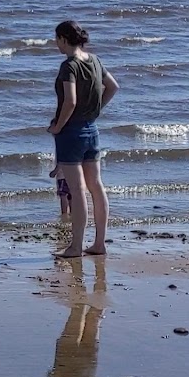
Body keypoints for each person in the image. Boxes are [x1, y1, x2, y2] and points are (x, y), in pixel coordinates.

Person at [47, 20, 119, 259]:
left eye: (57, 39)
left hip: (71, 133)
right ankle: (99, 243)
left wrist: (58, 126)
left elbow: (70, 101)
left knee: (77, 191)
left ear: (64, 39)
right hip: (91, 130)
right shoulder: (95, 60)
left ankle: (76, 246)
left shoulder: (69, 66)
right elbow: (112, 86)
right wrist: (96, 110)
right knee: (96, 187)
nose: (56, 43)